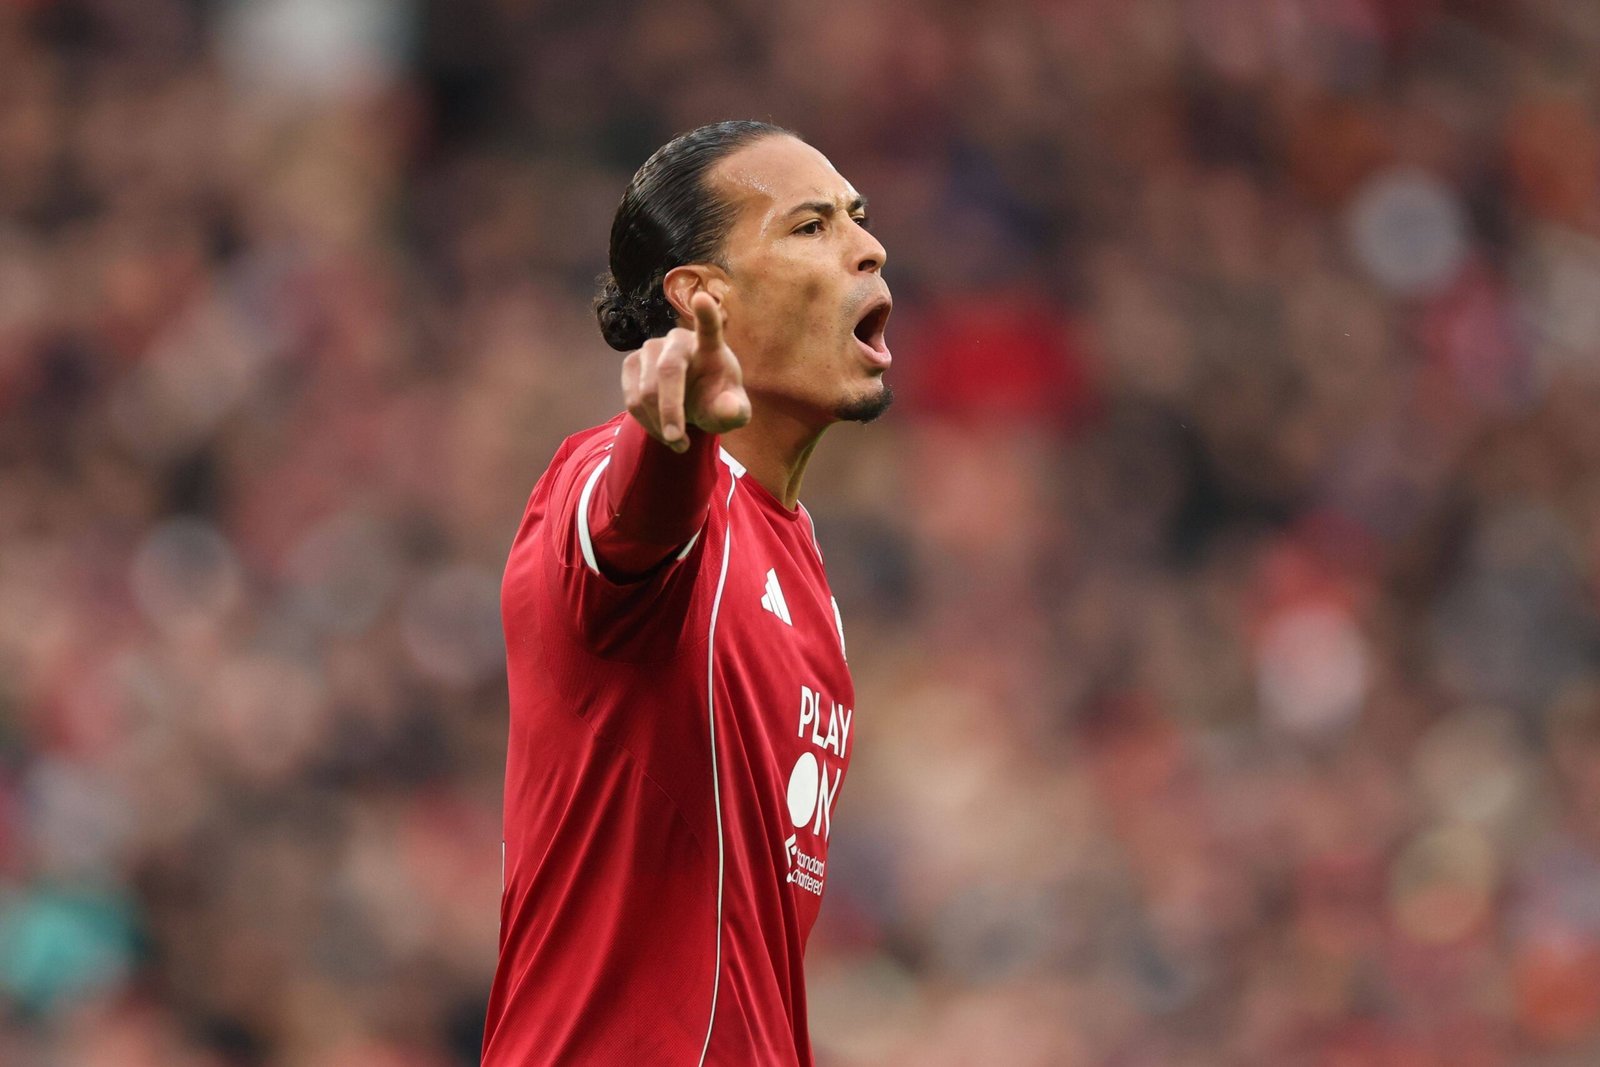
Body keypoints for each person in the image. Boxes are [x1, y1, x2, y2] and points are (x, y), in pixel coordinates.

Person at [482, 120, 894, 1066]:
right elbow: (635, 528)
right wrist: (674, 439)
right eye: (812, 226)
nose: (870, 247)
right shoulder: (598, 474)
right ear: (702, 297)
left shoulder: (804, 565)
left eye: (858, 217)